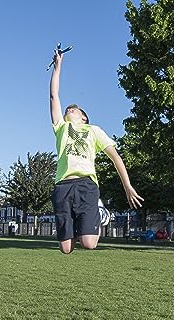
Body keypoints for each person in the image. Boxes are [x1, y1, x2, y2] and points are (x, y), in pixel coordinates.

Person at [49, 50, 144, 254]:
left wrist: (127, 186)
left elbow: (115, 157)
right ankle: (77, 220)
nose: (69, 109)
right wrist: (58, 67)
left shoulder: (94, 131)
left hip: (86, 185)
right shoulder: (61, 128)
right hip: (63, 186)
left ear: (84, 118)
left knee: (89, 244)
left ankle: (100, 213)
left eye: (74, 109)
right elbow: (53, 95)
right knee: (66, 249)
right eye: (68, 109)